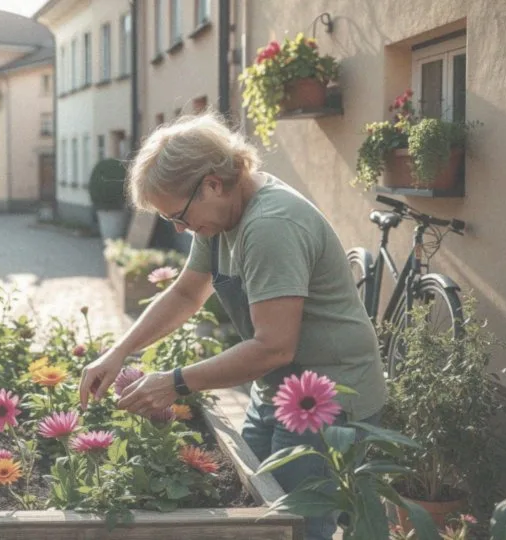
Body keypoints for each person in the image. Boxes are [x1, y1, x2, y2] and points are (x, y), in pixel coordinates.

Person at [78, 112, 387, 540]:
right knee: (252, 514)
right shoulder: (219, 215)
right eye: (172, 221)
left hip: (331, 399)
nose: (181, 229)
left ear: (213, 182)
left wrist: (174, 382)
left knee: (294, 527)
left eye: (179, 216)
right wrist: (119, 352)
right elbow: (187, 293)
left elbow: (273, 347)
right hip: (278, 388)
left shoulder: (269, 226)